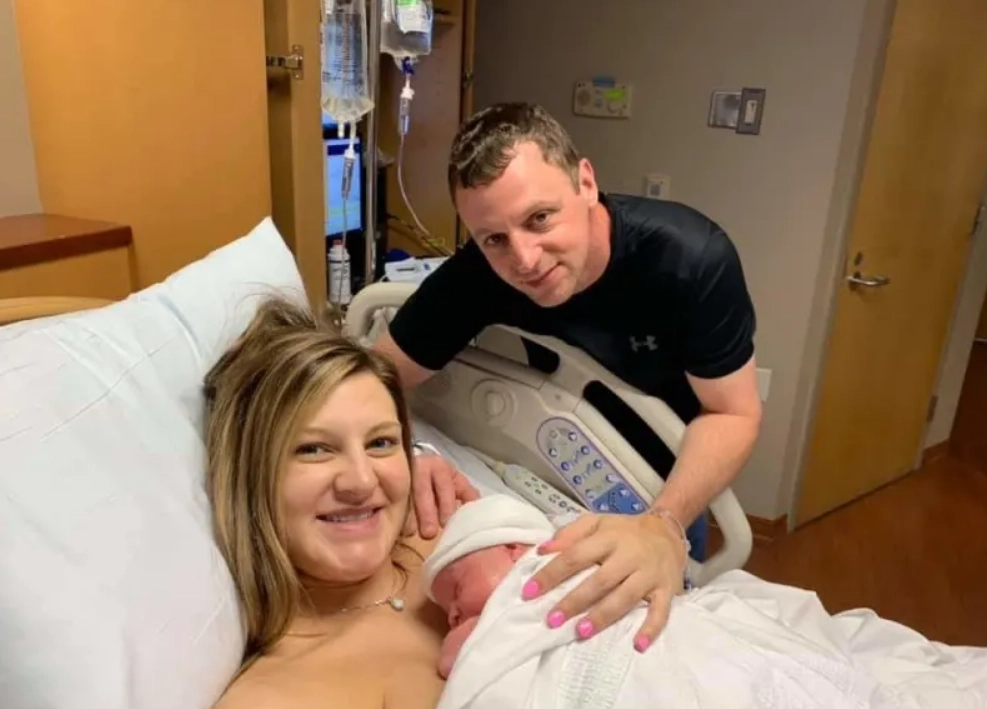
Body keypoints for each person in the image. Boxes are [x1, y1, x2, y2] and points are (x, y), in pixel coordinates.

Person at [374, 101, 763, 650]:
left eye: (539, 218)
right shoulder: (480, 274)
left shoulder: (689, 260)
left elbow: (733, 412)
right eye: (493, 238)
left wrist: (666, 524)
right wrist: (406, 447)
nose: (524, 259)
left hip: (667, 481)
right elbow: (371, 380)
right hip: (549, 478)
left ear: (585, 182)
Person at [422, 494, 987, 709]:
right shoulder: (503, 604)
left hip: (665, 644)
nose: (453, 612)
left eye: (457, 589)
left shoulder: (542, 568)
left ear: (515, 550)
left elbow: (461, 658)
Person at [201, 295, 479, 709]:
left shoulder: (460, 537)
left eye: (380, 442)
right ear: (251, 476)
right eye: (314, 449)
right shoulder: (275, 697)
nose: (361, 481)